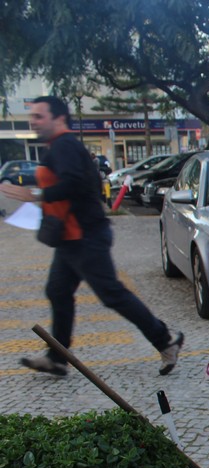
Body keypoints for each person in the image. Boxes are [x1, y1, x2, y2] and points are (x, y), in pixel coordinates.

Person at [0, 96, 183, 377]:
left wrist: (35, 194)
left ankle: (165, 340)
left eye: (39, 116)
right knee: (58, 291)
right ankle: (57, 358)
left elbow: (74, 183)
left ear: (59, 118)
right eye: (32, 116)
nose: (33, 122)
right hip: (70, 238)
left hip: (85, 237)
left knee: (111, 294)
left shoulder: (65, 145)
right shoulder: (59, 146)